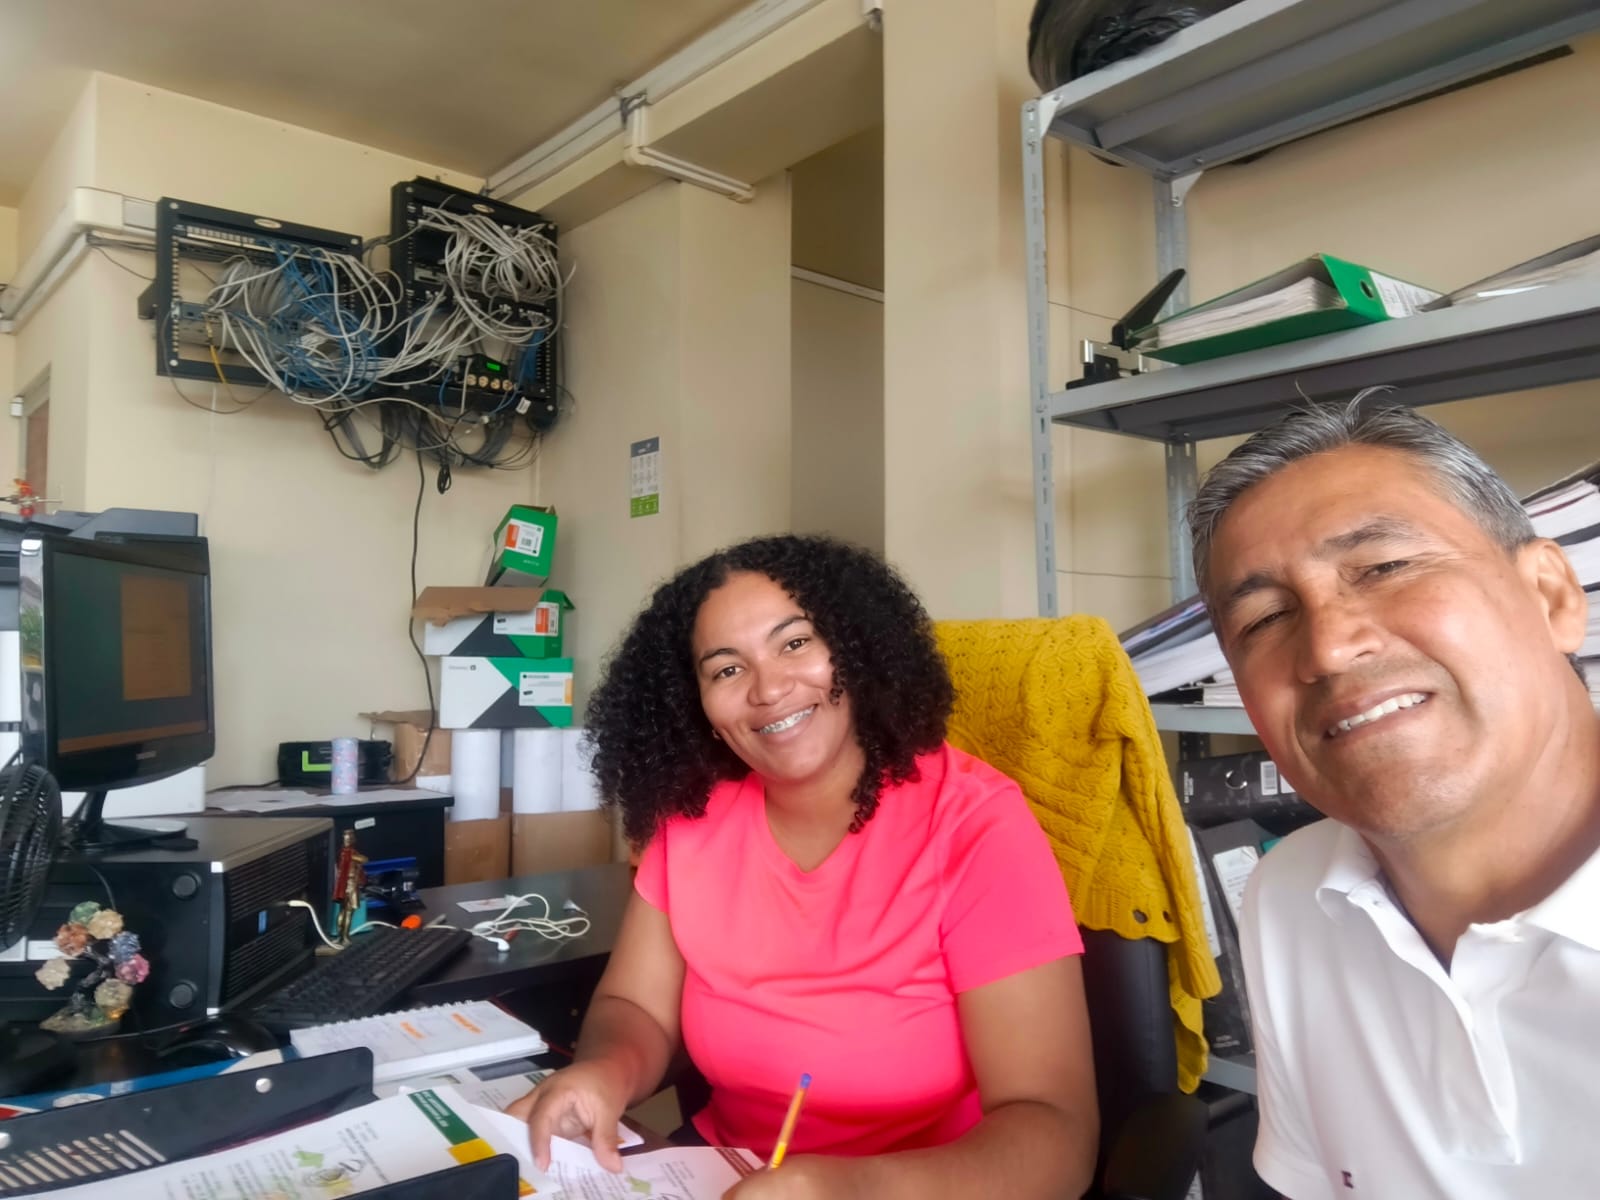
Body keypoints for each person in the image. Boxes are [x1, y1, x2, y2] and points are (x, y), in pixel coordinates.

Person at [509, 534, 1098, 1199]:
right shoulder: (692, 819)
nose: (768, 689)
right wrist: (605, 1072)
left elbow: (1055, 1131)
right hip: (714, 1175)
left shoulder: (974, 823)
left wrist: (848, 1191)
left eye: (794, 643)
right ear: (695, 703)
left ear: (854, 646)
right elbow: (634, 1006)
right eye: (726, 670)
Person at [1187, 395, 1600, 1199]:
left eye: (1383, 568)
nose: (1329, 647)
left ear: (1551, 596)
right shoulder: (1292, 897)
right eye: (1265, 618)